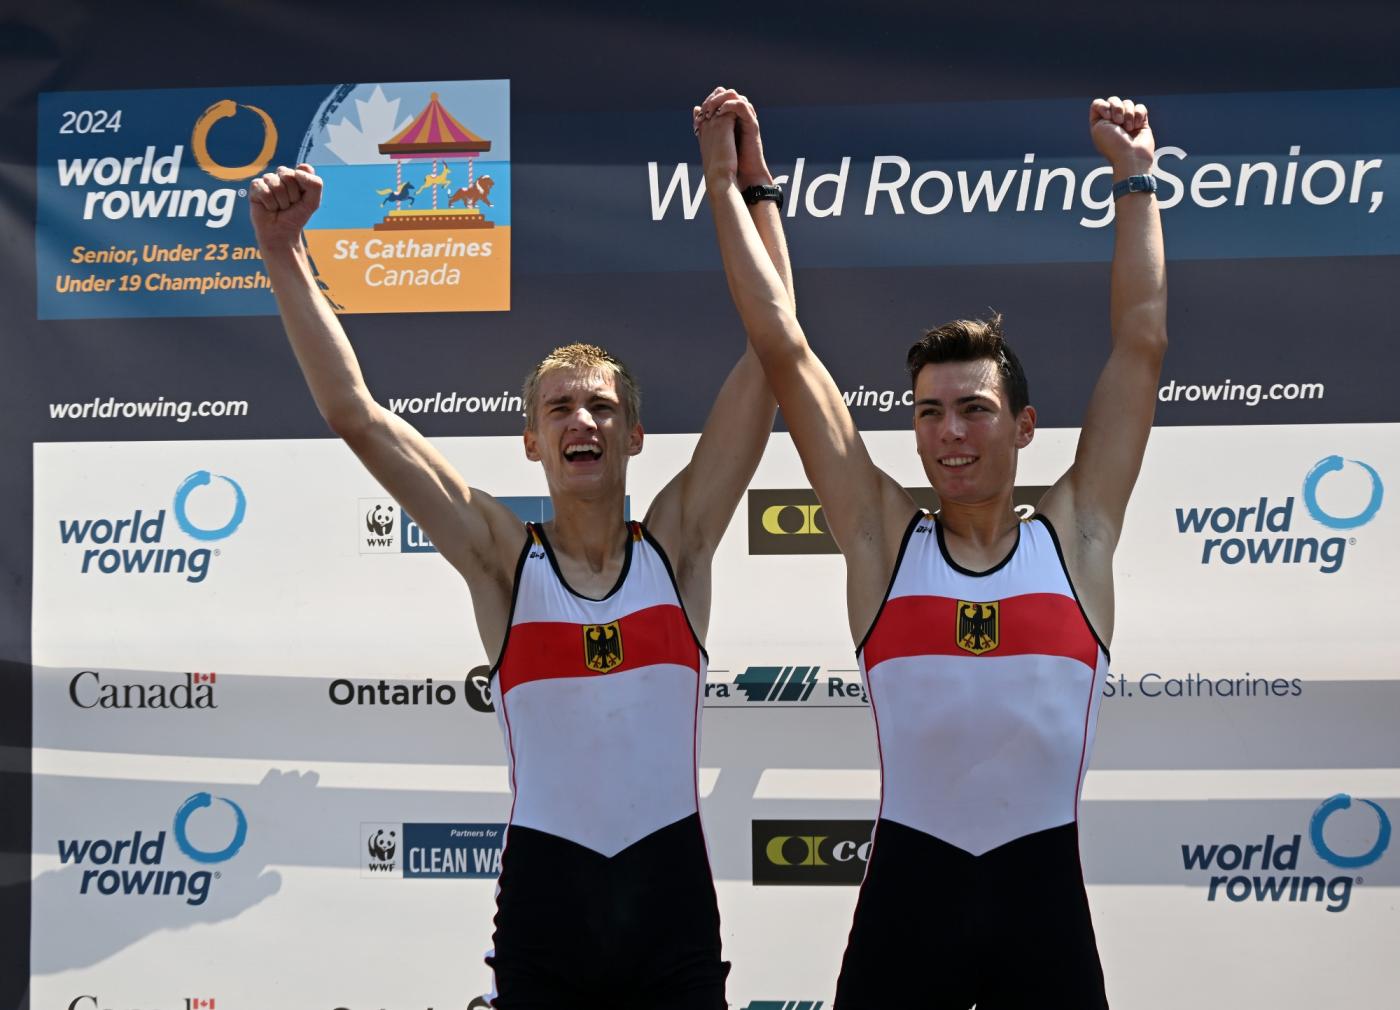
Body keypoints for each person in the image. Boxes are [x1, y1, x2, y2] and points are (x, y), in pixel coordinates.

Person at [248, 90, 792, 1006]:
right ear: (533, 442)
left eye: (603, 407)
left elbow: (775, 350)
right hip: (547, 915)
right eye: (560, 408)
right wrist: (282, 255)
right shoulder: (504, 559)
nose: (583, 421)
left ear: (634, 437)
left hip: (672, 916)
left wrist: (745, 187)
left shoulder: (680, 545)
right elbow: (356, 416)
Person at [702, 90, 1166, 1008]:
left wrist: (1137, 179)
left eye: (973, 409)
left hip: (1043, 914)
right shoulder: (882, 541)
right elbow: (781, 348)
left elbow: (1141, 342)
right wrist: (737, 187)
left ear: (1023, 426)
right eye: (929, 412)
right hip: (907, 910)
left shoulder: (1078, 536)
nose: (950, 433)